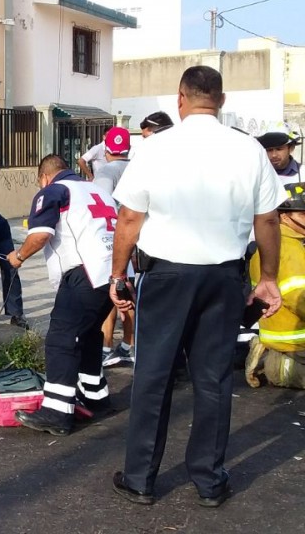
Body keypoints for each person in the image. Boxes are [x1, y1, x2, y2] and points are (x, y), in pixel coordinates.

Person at [109, 65, 285, 508]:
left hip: (166, 276)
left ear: (180, 99)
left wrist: (118, 275)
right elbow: (267, 219)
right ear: (221, 101)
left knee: (153, 376)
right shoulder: (249, 150)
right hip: (224, 276)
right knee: (213, 378)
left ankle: (140, 479)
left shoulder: (155, 148)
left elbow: (129, 218)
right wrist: (267, 278)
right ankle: (208, 479)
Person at [7, 155, 116, 436]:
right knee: (90, 332)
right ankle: (94, 394)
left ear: (44, 177)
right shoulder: (96, 189)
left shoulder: (53, 191)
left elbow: (40, 235)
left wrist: (18, 256)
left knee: (61, 337)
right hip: (113, 270)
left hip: (85, 272)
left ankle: (56, 411)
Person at [245, 182, 305, 389]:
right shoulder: (288, 248)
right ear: (284, 216)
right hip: (294, 347)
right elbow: (300, 299)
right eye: (303, 215)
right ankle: (276, 365)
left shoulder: (289, 243)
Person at [92, 127, 135, 367]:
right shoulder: (140, 168)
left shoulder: (106, 171)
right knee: (130, 295)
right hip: (142, 243)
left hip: (117, 241)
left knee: (112, 291)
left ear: (106, 150)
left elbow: (100, 207)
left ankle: (107, 346)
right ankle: (129, 345)